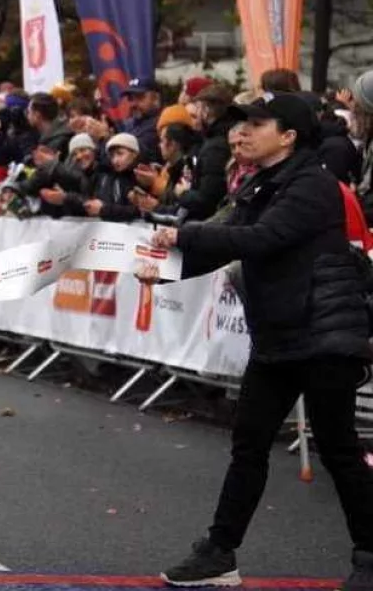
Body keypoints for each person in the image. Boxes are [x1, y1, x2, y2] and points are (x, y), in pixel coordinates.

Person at [139, 92, 373, 590]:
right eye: (238, 125)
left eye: (254, 124)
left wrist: (182, 236)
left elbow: (260, 240)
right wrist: (163, 271)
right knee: (249, 444)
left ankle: (370, 554)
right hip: (280, 333)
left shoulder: (313, 185)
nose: (240, 133)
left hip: (325, 332)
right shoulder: (259, 183)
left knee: (338, 450)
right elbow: (225, 243)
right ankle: (219, 553)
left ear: (288, 136)